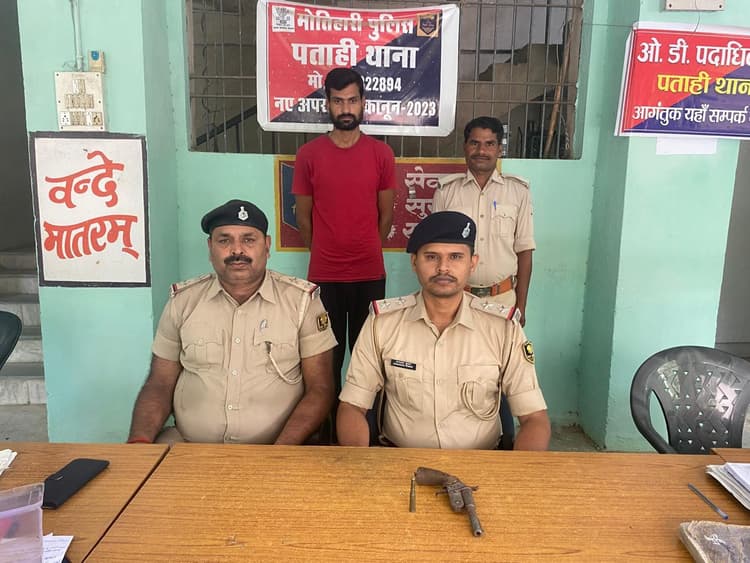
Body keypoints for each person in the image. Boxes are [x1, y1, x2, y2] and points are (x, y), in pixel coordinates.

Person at [127, 199, 337, 445]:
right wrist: (139, 443)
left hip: (276, 448)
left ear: (267, 246)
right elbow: (159, 383)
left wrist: (281, 451)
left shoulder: (301, 303)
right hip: (189, 445)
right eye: (224, 241)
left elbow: (320, 388)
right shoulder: (183, 302)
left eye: (249, 240)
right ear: (210, 248)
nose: (237, 251)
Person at [336, 211, 551, 450]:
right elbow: (352, 407)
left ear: (472, 263)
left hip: (481, 462)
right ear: (414, 262)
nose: (443, 268)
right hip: (399, 460)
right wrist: (362, 465)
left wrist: (518, 472)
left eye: (456, 257)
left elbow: (534, 419)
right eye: (431, 257)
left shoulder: (503, 328)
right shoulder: (383, 323)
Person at [292, 67, 396, 438]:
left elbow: (386, 215)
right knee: (327, 361)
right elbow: (303, 218)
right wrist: (327, 250)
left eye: (352, 100)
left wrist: (363, 246)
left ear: (363, 102)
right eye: (338, 101)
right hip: (325, 277)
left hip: (370, 274)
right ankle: (327, 436)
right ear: (328, 104)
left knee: (368, 359)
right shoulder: (308, 155)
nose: (346, 108)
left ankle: (368, 434)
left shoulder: (381, 154)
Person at [432, 116, 535, 327]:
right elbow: (435, 251)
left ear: (499, 150)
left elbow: (524, 251)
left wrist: (521, 306)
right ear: (465, 147)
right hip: (456, 299)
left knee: (500, 351)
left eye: (489, 144)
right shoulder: (446, 192)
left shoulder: (518, 192)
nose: (481, 151)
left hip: (503, 300)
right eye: (475, 143)